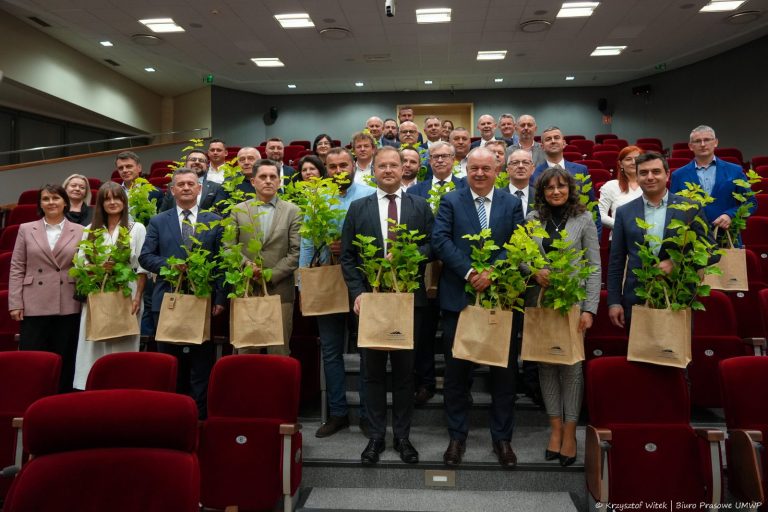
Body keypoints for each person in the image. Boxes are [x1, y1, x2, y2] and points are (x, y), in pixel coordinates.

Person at [340, 145, 434, 465]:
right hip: (371, 302)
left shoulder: (420, 206)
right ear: (374, 171)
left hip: (410, 302)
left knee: (406, 374)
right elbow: (349, 257)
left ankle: (403, 437)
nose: (390, 170)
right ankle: (377, 436)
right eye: (383, 166)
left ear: (405, 169)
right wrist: (357, 292)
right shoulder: (358, 208)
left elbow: (433, 245)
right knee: (373, 373)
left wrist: (409, 255)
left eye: (395, 165)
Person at [432, 147, 524, 468]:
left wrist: (492, 272)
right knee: (457, 375)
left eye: (487, 168)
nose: (481, 174)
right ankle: (457, 437)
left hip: (500, 300)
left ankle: (502, 439)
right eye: (475, 169)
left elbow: (517, 243)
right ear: (466, 170)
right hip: (460, 299)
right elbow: (440, 240)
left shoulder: (511, 203)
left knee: (503, 375)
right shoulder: (451, 200)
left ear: (497, 169)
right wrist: (471, 273)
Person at [525, 166, 600, 467]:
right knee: (546, 366)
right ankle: (554, 430)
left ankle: (570, 433)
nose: (556, 192)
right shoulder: (533, 219)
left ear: (570, 188)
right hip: (541, 303)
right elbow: (523, 258)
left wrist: (590, 309)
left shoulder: (583, 219)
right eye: (549, 188)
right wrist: (533, 269)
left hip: (573, 304)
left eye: (561, 186)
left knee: (572, 369)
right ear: (541, 192)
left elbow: (593, 266)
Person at [298, 148, 376, 438]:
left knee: (367, 350)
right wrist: (302, 283)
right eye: (332, 166)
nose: (339, 170)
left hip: (362, 280)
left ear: (354, 165)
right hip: (327, 279)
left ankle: (369, 414)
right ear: (326, 169)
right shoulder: (316, 197)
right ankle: (338, 413)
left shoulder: (369, 193)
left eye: (344, 164)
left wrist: (349, 245)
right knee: (330, 352)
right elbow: (307, 241)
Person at [139, 167, 226, 419]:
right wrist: (168, 267)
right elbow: (145, 257)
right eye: (181, 184)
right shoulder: (158, 220)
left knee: (201, 364)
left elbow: (221, 262)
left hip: (202, 300)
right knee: (170, 363)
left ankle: (199, 416)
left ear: (199, 189)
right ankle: (169, 414)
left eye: (191, 184)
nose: (186, 187)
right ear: (172, 190)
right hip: (168, 300)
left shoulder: (214, 221)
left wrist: (219, 298)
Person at [607, 152, 717, 330]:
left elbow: (712, 250)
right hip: (637, 297)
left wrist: (676, 263)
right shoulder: (624, 212)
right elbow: (616, 261)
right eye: (643, 173)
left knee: (675, 355)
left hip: (679, 296)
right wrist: (613, 302)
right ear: (637, 176)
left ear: (667, 174)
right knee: (639, 354)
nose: (650, 177)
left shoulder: (689, 209)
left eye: (656, 171)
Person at [9, 184, 84, 392]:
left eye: (56, 198)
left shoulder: (80, 230)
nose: (51, 203)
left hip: (68, 301)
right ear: (40, 204)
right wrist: (15, 303)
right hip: (34, 302)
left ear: (65, 202)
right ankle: (31, 399)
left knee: (65, 359)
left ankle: (62, 404)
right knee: (33, 359)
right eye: (46, 199)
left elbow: (85, 265)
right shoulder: (26, 228)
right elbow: (17, 266)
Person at [72, 182, 147, 389]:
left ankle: (122, 388)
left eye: (117, 198)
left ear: (124, 201)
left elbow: (141, 267)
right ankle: (92, 387)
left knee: (122, 341)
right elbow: (81, 263)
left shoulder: (136, 228)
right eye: (107, 199)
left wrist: (138, 297)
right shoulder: (89, 230)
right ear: (101, 204)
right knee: (94, 343)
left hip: (126, 292)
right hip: (97, 290)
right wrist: (97, 267)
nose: (112, 202)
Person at [230, 159, 301, 356]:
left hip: (279, 291)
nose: (268, 181)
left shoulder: (292, 211)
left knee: (279, 352)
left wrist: (270, 274)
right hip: (246, 289)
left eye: (273, 177)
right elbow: (228, 248)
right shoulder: (238, 210)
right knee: (246, 352)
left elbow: (296, 252)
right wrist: (247, 266)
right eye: (263, 177)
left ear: (279, 182)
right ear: (253, 181)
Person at [670, 125, 756, 243]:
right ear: (691, 146)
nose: (703, 144)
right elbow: (673, 208)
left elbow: (750, 202)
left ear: (715, 142)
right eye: (697, 141)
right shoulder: (678, 175)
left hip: (727, 236)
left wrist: (730, 215)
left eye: (707, 139)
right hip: (691, 240)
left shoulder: (734, 170)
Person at [532, 126, 601, 238]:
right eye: (548, 139)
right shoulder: (535, 174)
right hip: (547, 236)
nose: (553, 141)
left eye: (556, 137)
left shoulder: (581, 170)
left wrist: (594, 239)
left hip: (580, 236)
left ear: (564, 143)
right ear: (542, 146)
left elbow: (592, 208)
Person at [598, 146, 644, 231]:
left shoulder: (650, 185)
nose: (633, 162)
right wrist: (622, 226)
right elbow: (600, 214)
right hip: (619, 238)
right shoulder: (610, 186)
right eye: (628, 159)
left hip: (648, 238)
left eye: (637, 159)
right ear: (621, 164)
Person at [506, 149, 536, 217]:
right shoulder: (496, 197)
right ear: (507, 169)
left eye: (525, 162)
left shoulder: (540, 196)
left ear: (533, 169)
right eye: (515, 163)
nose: (520, 166)